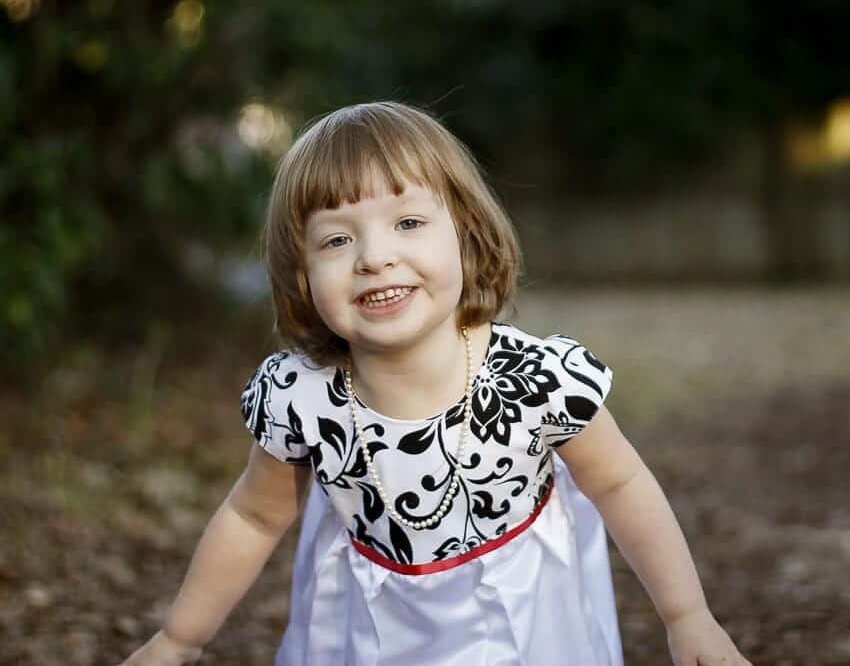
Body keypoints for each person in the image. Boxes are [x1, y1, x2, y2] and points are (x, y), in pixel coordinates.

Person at [119, 101, 753, 666]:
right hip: (365, 625)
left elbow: (619, 483)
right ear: (303, 277)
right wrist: (179, 639)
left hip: (521, 618)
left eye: (408, 224)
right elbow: (252, 517)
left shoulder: (532, 383)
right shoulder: (304, 399)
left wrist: (685, 616)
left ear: (466, 237)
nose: (374, 256)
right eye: (337, 239)